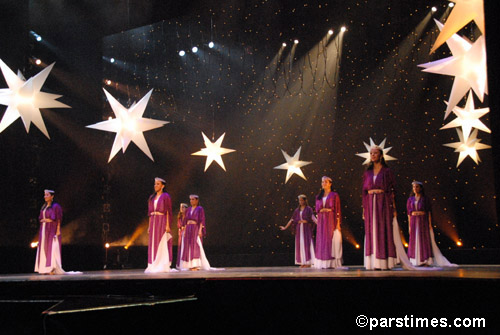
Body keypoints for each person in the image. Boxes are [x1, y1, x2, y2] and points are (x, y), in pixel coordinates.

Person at [362, 146, 399, 270]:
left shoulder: (387, 171)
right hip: (370, 203)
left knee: (383, 229)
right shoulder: (367, 172)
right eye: (371, 153)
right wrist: (364, 209)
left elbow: (392, 190)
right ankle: (373, 262)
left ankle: (383, 262)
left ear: (381, 155)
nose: (373, 155)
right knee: (371, 230)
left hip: (383, 202)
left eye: (375, 153)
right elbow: (364, 192)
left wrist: (393, 207)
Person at [145, 177, 173, 273]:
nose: (155, 185)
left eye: (157, 184)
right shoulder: (152, 198)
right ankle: (152, 264)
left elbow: (168, 211)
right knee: (152, 243)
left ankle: (161, 263)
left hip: (162, 220)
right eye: (155, 184)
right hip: (153, 221)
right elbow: (150, 213)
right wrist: (149, 225)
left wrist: (168, 225)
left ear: (162, 186)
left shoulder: (166, 196)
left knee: (160, 242)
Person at [279, 195, 316, 268]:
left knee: (307, 244)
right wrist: (285, 227)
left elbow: (313, 218)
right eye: (299, 200)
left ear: (305, 200)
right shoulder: (297, 210)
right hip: (299, 229)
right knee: (300, 244)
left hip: (306, 228)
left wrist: (321, 225)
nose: (301, 202)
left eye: (302, 200)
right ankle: (303, 262)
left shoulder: (309, 209)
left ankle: (308, 262)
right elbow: (292, 219)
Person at [314, 176, 343, 269]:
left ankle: (331, 262)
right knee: (321, 240)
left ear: (330, 183)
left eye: (326, 182)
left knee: (329, 239)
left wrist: (338, 224)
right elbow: (317, 210)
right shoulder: (318, 196)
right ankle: (322, 262)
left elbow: (338, 209)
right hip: (321, 220)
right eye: (322, 182)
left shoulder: (334, 195)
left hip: (330, 219)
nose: (324, 183)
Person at [177, 195, 211, 271]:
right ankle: (189, 264)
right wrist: (185, 230)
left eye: (193, 199)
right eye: (190, 199)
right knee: (188, 246)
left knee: (195, 245)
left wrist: (200, 230)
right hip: (188, 228)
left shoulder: (200, 209)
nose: (191, 201)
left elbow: (202, 220)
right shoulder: (188, 209)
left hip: (195, 228)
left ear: (197, 200)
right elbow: (185, 220)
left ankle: (195, 264)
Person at [35, 189, 64, 275]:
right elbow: (40, 218)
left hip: (51, 228)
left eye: (47, 195)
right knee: (43, 246)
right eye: (44, 195)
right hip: (43, 229)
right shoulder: (43, 206)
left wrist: (58, 230)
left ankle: (51, 268)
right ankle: (44, 268)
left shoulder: (56, 206)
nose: (45, 196)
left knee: (51, 247)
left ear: (52, 196)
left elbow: (58, 219)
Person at [175, 203, 188, 269]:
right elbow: (178, 225)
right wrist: (180, 229)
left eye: (183, 207)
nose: (181, 209)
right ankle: (180, 264)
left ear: (186, 208)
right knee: (180, 247)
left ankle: (186, 263)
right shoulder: (180, 216)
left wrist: (185, 228)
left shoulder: (187, 216)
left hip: (186, 232)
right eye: (180, 207)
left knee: (185, 247)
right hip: (181, 233)